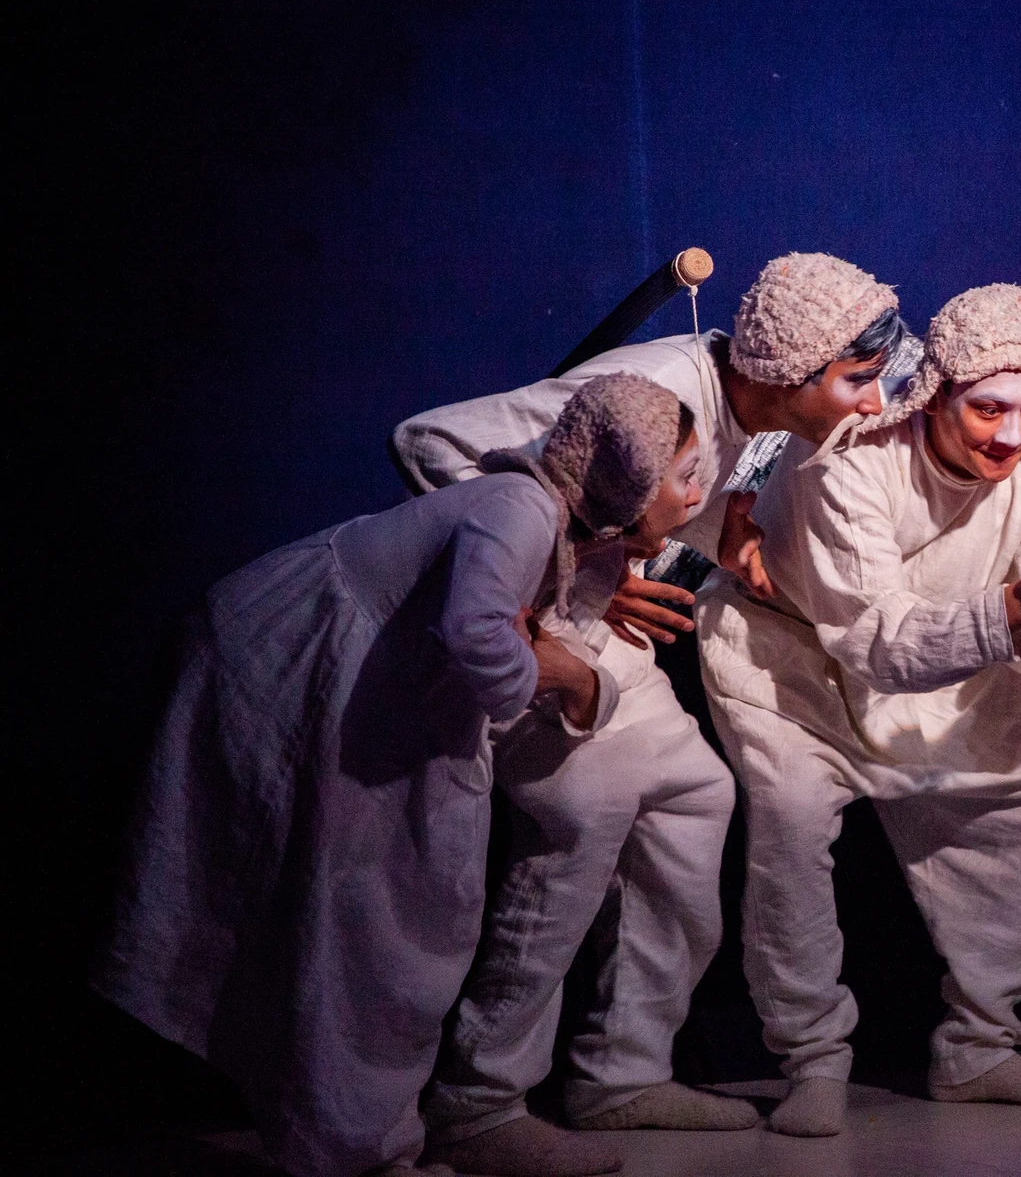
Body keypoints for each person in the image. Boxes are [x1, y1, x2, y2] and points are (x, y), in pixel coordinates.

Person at [95, 375, 697, 1177]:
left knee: (377, 917)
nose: (698, 494)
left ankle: (362, 1140)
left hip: (370, 689)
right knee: (362, 923)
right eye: (685, 475)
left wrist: (571, 671)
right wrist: (555, 674)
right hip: (303, 674)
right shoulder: (521, 508)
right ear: (630, 480)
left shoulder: (549, 522)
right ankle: (359, 1150)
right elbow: (476, 631)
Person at [390, 254, 910, 1174]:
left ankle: (620, 1073)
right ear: (788, 372)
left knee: (695, 792)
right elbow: (430, 442)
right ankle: (479, 1101)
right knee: (586, 812)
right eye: (857, 380)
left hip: (604, 641)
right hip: (532, 643)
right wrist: (561, 572)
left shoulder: (763, 420)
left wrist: (718, 536)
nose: (873, 403)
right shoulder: (660, 388)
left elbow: (689, 506)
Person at [697, 284, 1021, 1137]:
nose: (1012, 435)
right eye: (988, 408)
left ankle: (979, 1045)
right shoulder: (848, 460)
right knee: (792, 814)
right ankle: (813, 1058)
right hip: (792, 663)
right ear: (937, 394)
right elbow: (875, 641)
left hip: (956, 667)